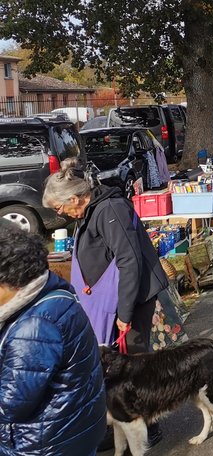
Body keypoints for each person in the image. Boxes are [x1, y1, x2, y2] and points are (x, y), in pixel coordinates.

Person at [42, 159, 169, 448]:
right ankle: (125, 425)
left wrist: (124, 313)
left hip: (132, 299)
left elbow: (130, 261)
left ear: (75, 198)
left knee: (134, 365)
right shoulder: (90, 211)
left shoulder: (110, 209)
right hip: (112, 298)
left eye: (59, 207)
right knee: (119, 368)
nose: (59, 213)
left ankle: (148, 428)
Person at [0, 224, 107, 456]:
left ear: (10, 281)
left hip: (44, 441)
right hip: (73, 426)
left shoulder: (34, 326)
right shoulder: (53, 294)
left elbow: (11, 404)